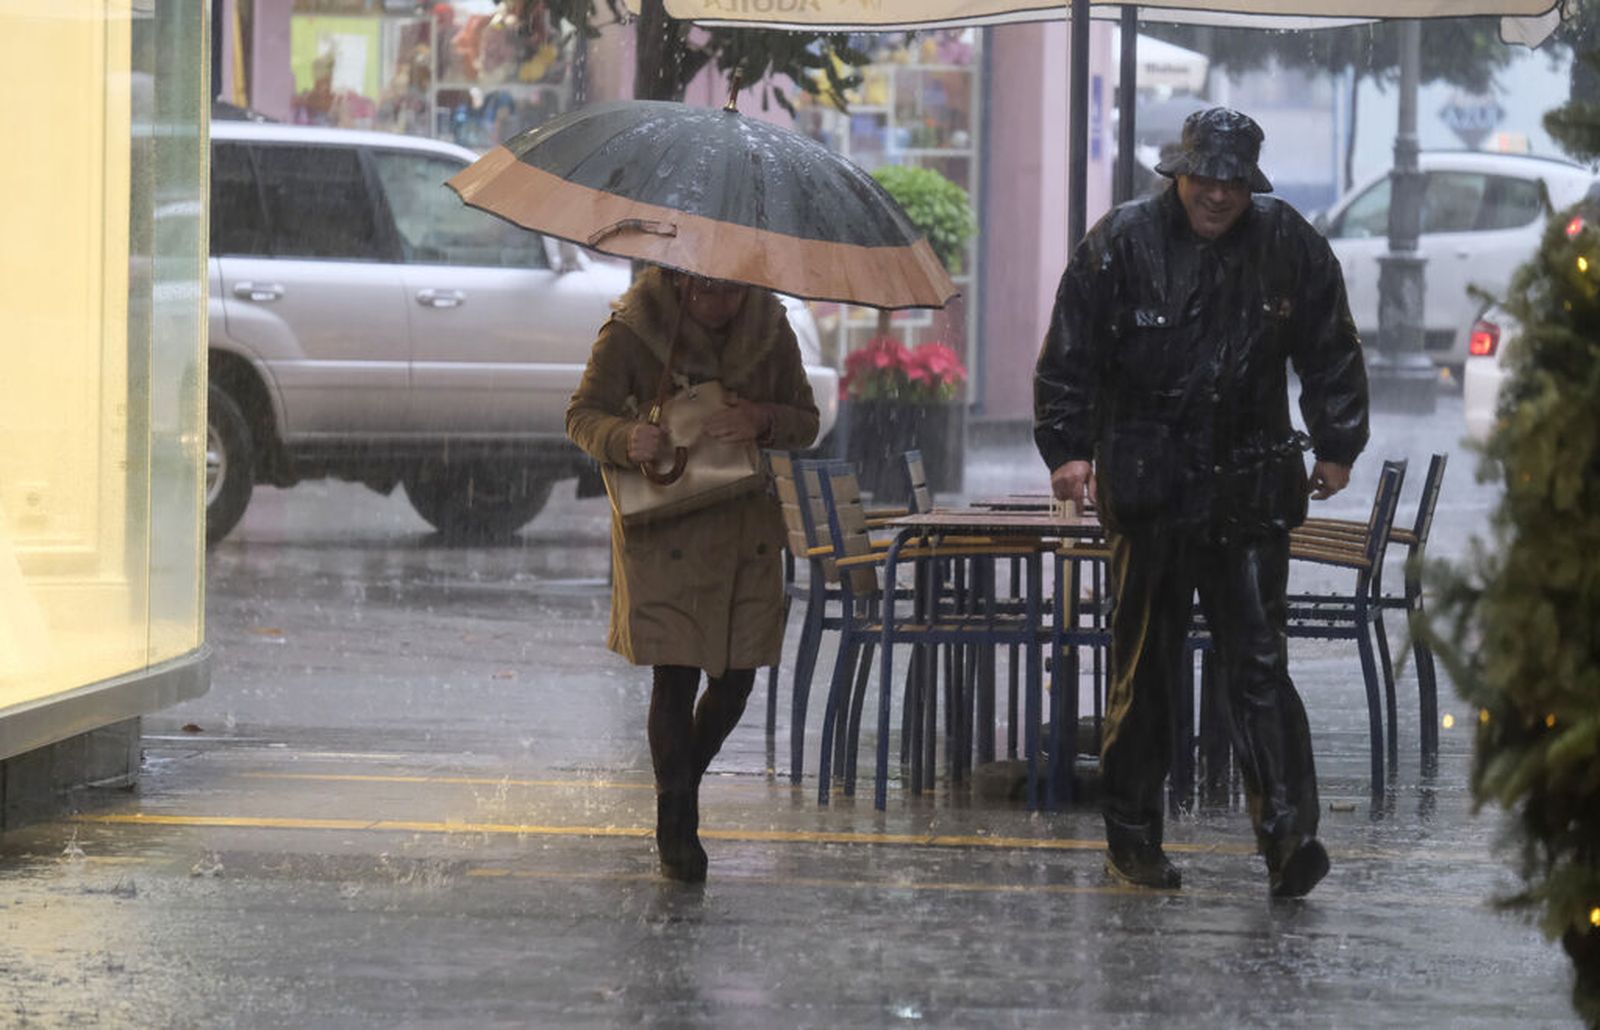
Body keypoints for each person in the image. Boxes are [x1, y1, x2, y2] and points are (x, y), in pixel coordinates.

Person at [1033, 108, 1370, 898]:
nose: (1217, 195)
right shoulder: (1118, 243)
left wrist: (1338, 443)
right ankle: (1133, 841)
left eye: (1233, 182)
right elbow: (1069, 351)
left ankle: (1290, 838)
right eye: (1204, 178)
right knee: (1144, 670)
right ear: (1177, 172)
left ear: (1250, 183)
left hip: (1249, 483)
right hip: (1150, 485)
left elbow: (1330, 345)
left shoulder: (1289, 244)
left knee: (1258, 667)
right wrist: (1069, 450)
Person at [566, 266, 820, 883]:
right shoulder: (631, 330)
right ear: (681, 282)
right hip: (667, 530)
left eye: (734, 290)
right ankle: (677, 822)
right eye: (710, 290)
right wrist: (627, 438)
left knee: (736, 680)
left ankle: (676, 788)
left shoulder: (770, 328)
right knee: (675, 676)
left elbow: (806, 421)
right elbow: (581, 415)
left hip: (746, 531)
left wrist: (761, 418)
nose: (723, 303)